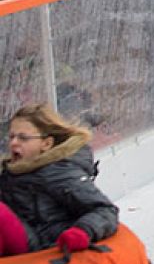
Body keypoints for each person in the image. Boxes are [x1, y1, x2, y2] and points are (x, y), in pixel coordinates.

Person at [1, 104, 119, 256]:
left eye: (23, 138)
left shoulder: (59, 173)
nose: (13, 143)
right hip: (20, 240)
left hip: (44, 245)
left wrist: (82, 231)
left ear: (46, 144)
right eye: (11, 137)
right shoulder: (11, 171)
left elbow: (104, 210)